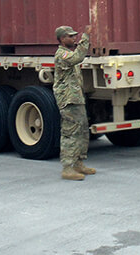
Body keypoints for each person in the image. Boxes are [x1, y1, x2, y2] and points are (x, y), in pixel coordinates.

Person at [53, 25, 96, 181]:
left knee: (83, 130)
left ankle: (78, 163)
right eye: (70, 36)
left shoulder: (68, 53)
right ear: (62, 39)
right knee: (70, 132)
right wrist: (86, 37)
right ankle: (68, 168)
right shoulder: (62, 54)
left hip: (76, 98)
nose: (74, 38)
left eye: (74, 36)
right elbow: (78, 57)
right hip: (68, 99)